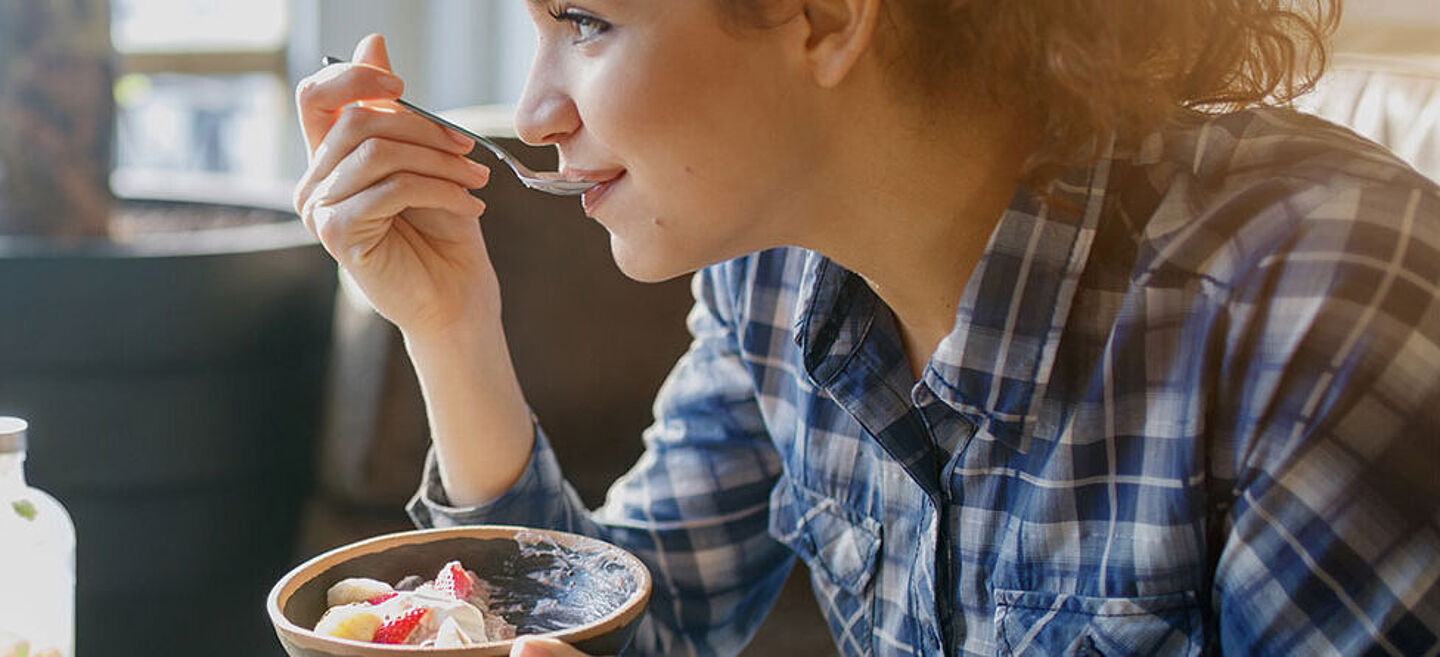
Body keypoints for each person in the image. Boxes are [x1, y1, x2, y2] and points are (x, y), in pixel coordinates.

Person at [293, 0, 1440, 654]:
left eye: (585, 20)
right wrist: (451, 325)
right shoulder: (775, 281)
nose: (537, 111)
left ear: (830, 16)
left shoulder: (1316, 309)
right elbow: (645, 628)